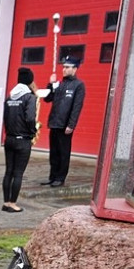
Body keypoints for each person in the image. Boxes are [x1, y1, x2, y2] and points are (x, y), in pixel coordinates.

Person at [1, 67, 39, 213]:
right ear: (29, 81)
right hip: (23, 140)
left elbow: (6, 118)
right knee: (18, 173)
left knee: (8, 171)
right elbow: (30, 118)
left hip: (9, 139)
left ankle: (5, 202)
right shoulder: (30, 97)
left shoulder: (9, 97)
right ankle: (12, 203)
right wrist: (33, 131)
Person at [43, 56, 86, 187]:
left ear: (74, 69)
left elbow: (76, 107)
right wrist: (50, 84)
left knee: (63, 152)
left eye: (67, 67)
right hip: (54, 123)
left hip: (65, 125)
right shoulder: (59, 84)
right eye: (64, 67)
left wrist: (71, 124)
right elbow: (47, 99)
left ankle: (60, 178)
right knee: (54, 152)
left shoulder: (78, 85)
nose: (64, 69)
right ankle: (52, 176)